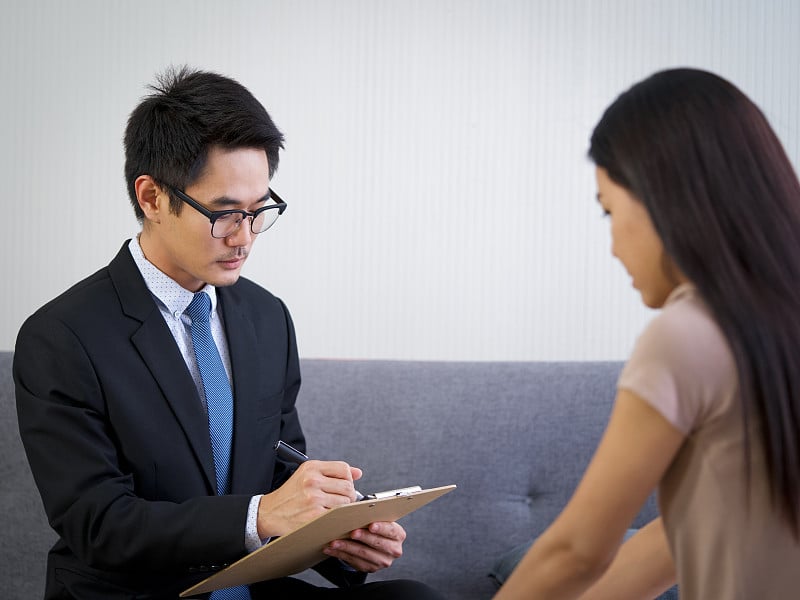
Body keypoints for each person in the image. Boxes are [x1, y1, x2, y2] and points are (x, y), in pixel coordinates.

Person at [13, 66, 445, 600]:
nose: (244, 237)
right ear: (151, 197)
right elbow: (100, 525)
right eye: (224, 213)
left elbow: (282, 471)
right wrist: (261, 514)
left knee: (413, 596)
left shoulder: (267, 317)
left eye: (259, 210)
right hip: (141, 592)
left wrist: (341, 534)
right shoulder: (61, 337)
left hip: (248, 587)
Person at [494, 68, 800, 599]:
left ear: (666, 198)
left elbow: (576, 551)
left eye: (610, 211)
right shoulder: (776, 321)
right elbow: (668, 547)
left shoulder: (687, 335)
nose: (612, 246)